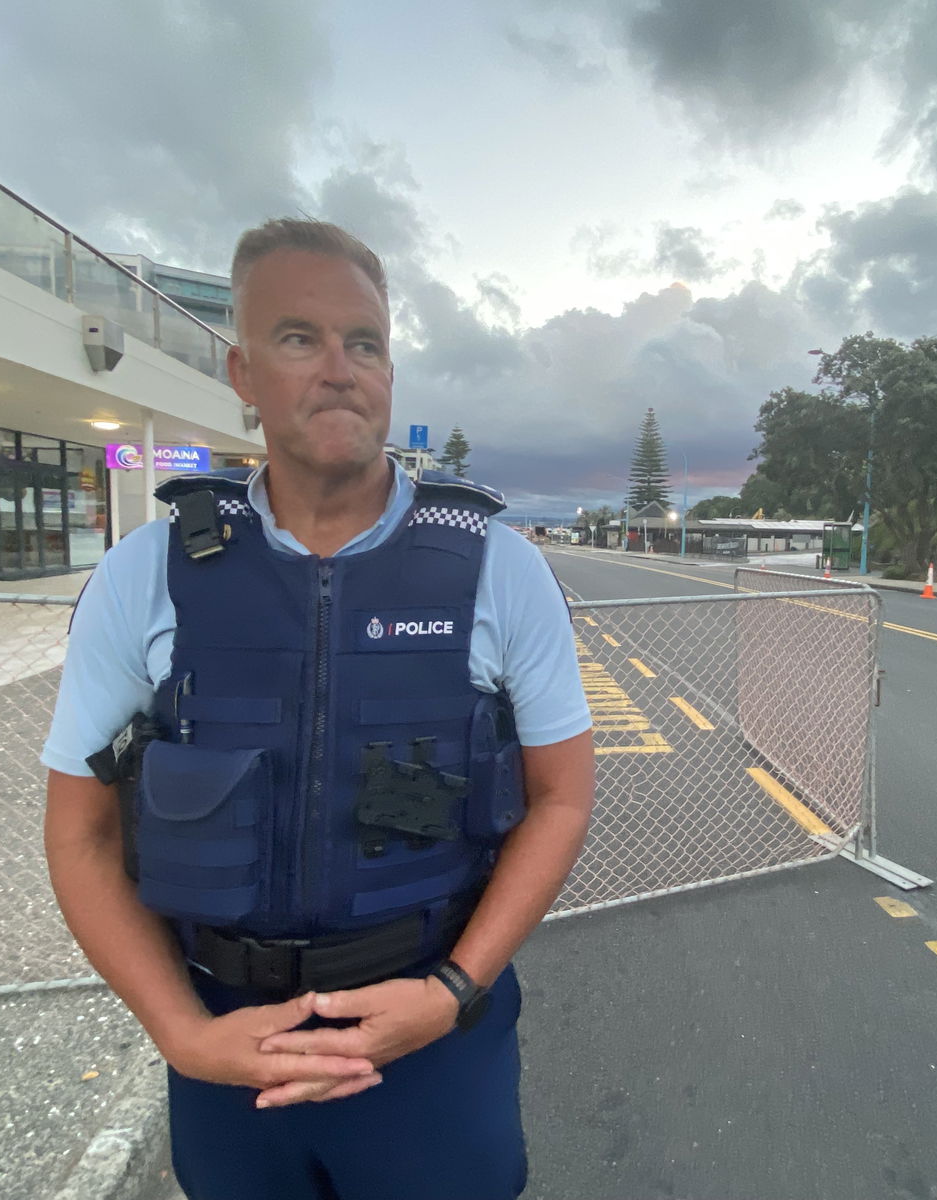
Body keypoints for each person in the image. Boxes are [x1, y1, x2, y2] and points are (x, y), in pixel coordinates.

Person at [41, 218, 594, 1200]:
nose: (339, 368)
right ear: (242, 370)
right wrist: (182, 1035)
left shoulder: (498, 571)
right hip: (228, 1043)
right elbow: (79, 833)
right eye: (299, 339)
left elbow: (560, 800)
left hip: (429, 1039)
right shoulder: (148, 577)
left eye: (365, 342)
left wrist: (452, 991)